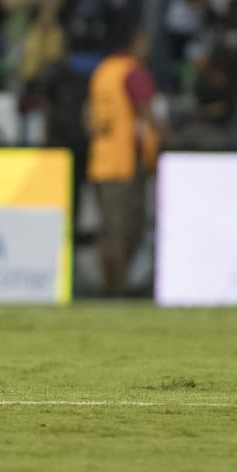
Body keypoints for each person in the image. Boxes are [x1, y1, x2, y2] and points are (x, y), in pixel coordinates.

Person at [86, 25, 159, 297]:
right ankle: (116, 289)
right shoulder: (133, 72)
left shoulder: (102, 72)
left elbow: (89, 118)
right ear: (134, 42)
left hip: (100, 161)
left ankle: (111, 284)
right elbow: (148, 113)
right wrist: (164, 140)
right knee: (128, 230)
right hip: (126, 162)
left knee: (109, 228)